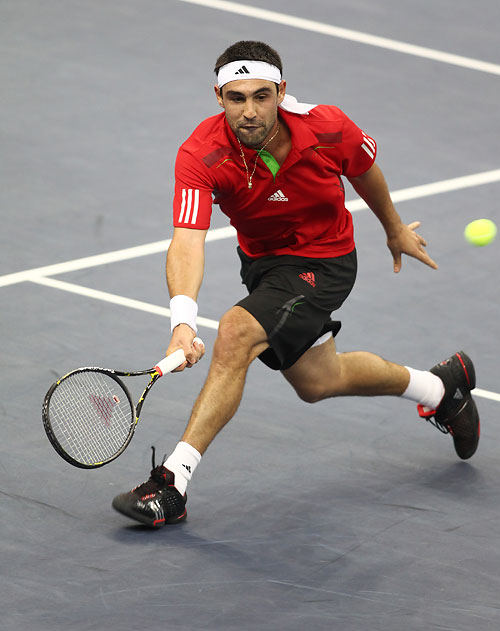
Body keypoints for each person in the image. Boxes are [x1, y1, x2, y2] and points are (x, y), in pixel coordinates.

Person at [112, 41, 480, 528]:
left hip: (325, 260)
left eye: (261, 96)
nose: (249, 110)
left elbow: (364, 171)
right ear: (218, 98)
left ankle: (172, 482)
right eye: (236, 98)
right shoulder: (200, 154)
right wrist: (182, 320)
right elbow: (186, 241)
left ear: (281, 92)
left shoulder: (328, 127)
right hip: (263, 265)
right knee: (318, 382)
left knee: (236, 332)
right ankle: (441, 387)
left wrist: (393, 228)